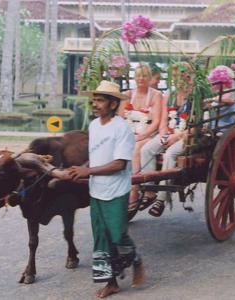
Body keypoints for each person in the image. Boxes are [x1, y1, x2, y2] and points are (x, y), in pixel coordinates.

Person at [69, 80, 145, 298]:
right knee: (100, 237)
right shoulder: (94, 126)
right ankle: (111, 283)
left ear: (113, 104)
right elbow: (95, 158)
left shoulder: (122, 128)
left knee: (118, 235)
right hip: (96, 190)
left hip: (115, 190)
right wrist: (79, 169)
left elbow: (119, 164)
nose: (95, 104)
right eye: (94, 100)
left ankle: (135, 259)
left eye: (100, 100)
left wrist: (87, 172)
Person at [140, 62, 195, 217]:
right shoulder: (170, 95)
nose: (177, 79)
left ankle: (161, 199)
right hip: (170, 132)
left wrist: (176, 136)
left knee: (170, 153)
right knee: (147, 149)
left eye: (181, 75)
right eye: (175, 76)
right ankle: (149, 191)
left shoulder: (195, 96)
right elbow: (164, 121)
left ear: (188, 77)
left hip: (188, 136)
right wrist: (165, 136)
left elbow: (196, 126)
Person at [118, 63, 163, 213]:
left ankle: (134, 191)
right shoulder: (128, 94)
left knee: (136, 148)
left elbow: (156, 122)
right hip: (130, 131)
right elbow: (120, 117)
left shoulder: (155, 95)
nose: (140, 79)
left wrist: (141, 136)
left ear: (150, 78)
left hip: (148, 132)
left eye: (144, 76)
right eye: (137, 76)